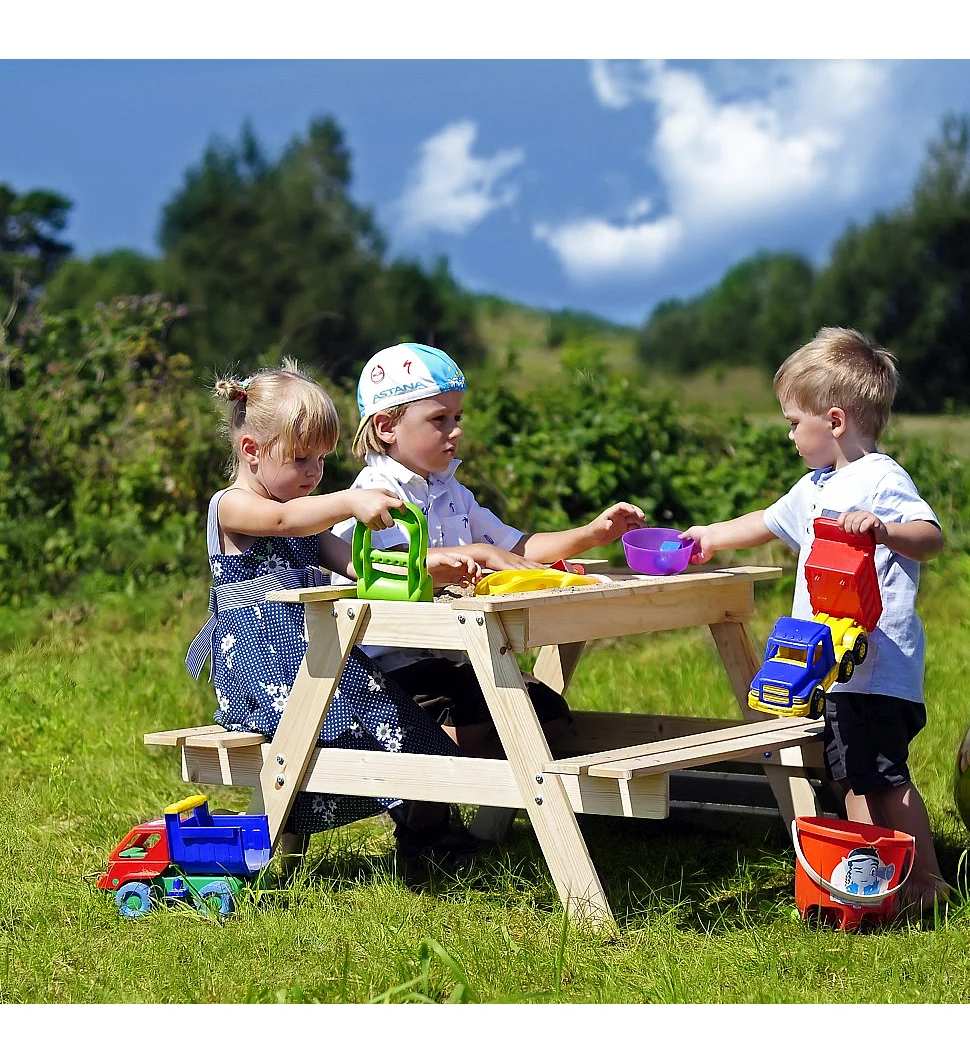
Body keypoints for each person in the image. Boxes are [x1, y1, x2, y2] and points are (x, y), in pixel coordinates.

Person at [681, 327, 951, 913]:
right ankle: (877, 872)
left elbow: (930, 537)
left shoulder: (880, 480)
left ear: (833, 420)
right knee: (850, 774)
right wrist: (708, 539)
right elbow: (765, 521)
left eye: (793, 420)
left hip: (877, 666)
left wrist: (882, 530)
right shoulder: (815, 486)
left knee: (882, 774)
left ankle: (927, 880)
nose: (788, 433)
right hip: (832, 665)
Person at [186, 359, 484, 868]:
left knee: (406, 721)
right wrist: (349, 500)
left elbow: (362, 569)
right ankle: (406, 826)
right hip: (264, 672)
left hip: (320, 660)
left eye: (321, 461)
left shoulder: (306, 520)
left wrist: (430, 573)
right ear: (251, 452)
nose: (314, 473)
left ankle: (426, 832)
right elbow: (281, 521)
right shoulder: (231, 508)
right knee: (365, 722)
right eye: (302, 459)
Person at [334, 342, 646, 760]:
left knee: (549, 713)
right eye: (439, 419)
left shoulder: (453, 492)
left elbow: (519, 547)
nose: (456, 430)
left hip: (458, 655)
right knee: (487, 716)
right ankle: (427, 800)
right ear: (387, 427)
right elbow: (396, 567)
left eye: (457, 417)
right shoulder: (372, 496)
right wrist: (480, 554)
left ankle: (492, 810)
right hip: (389, 667)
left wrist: (590, 533)